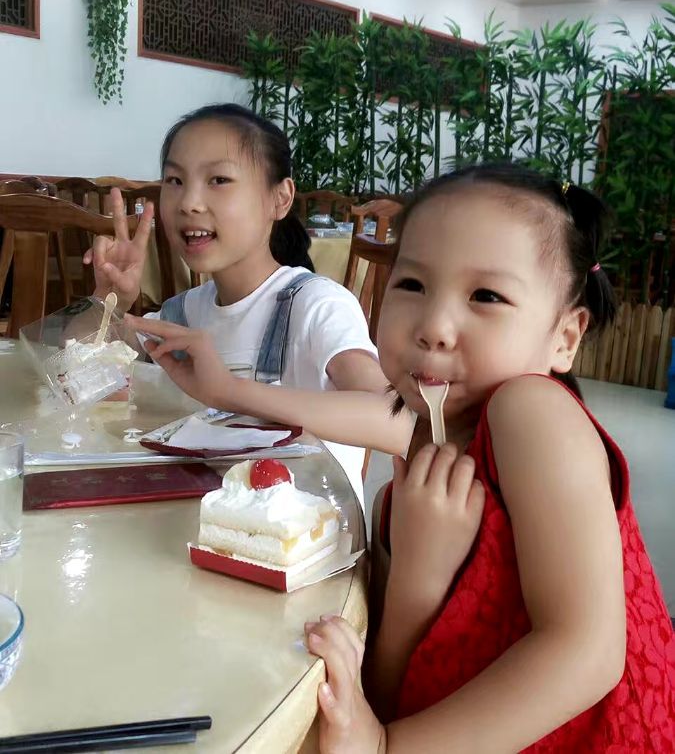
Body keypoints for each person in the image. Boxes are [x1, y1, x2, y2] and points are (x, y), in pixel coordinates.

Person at [299, 164, 675, 753]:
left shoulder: (532, 414)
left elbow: (588, 651)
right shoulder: (401, 490)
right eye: (411, 284)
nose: (434, 327)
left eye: (486, 296)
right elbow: (393, 696)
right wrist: (417, 580)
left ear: (565, 338)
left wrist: (386, 750)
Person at [89, 103, 411, 503]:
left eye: (219, 180)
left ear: (280, 198)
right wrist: (108, 300)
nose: (189, 202)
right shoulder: (184, 312)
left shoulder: (314, 306)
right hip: (213, 523)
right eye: (175, 180)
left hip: (313, 533)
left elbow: (398, 422)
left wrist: (228, 391)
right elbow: (79, 373)